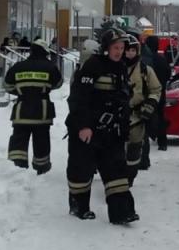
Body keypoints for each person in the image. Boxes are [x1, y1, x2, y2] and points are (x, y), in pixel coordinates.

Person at [65, 29, 139, 224]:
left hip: (111, 131)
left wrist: (123, 129)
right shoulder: (92, 66)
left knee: (116, 171)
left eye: (122, 48)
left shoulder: (121, 67)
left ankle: (122, 213)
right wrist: (83, 126)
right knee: (81, 170)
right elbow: (78, 99)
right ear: (106, 48)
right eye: (115, 48)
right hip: (88, 130)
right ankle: (79, 208)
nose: (119, 52)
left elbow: (122, 101)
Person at [4, 38, 63, 174]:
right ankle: (41, 167)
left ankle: (17, 166)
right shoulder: (50, 67)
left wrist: (21, 91)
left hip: (21, 110)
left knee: (19, 137)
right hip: (41, 112)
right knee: (41, 140)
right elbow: (58, 83)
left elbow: (7, 86)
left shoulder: (18, 67)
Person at [123, 35, 162, 183]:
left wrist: (150, 104)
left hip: (137, 117)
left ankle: (130, 177)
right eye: (127, 50)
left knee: (134, 149)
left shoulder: (145, 70)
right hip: (116, 117)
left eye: (133, 50)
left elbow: (156, 89)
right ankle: (117, 178)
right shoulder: (113, 68)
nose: (129, 54)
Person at [142, 34, 172, 153]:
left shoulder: (144, 60)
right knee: (160, 117)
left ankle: (146, 140)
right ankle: (162, 142)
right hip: (161, 92)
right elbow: (168, 74)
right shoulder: (162, 59)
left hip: (147, 93)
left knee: (145, 116)